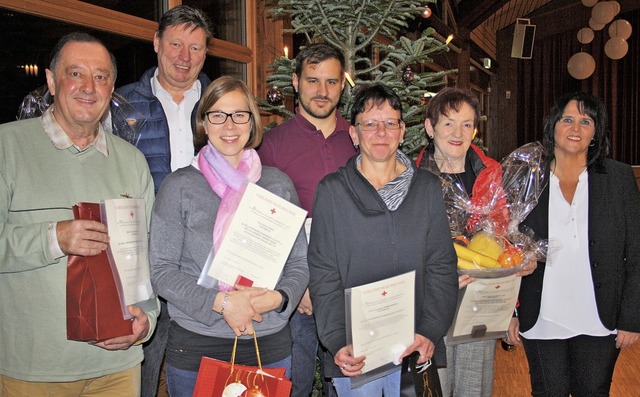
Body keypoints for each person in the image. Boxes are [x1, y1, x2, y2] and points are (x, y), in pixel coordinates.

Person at [0, 32, 158, 396]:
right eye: (76, 73)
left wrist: (146, 322)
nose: (89, 86)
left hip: (118, 367)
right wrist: (53, 238)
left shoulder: (132, 162)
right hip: (34, 369)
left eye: (101, 77)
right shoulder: (8, 148)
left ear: (112, 88)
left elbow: (147, 257)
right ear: (52, 82)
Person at [149, 76, 309, 397]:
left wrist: (279, 299)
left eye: (239, 114)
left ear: (252, 122)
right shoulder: (179, 187)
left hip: (269, 340)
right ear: (204, 124)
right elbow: (162, 272)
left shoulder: (277, 185)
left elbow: (300, 263)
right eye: (218, 115)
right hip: (199, 345)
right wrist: (221, 303)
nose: (229, 125)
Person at [308, 83, 458, 396]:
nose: (381, 132)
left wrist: (430, 330)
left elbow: (442, 265)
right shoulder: (333, 191)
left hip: (415, 345)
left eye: (390, 123)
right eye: (370, 124)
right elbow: (324, 272)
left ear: (402, 131)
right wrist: (336, 340)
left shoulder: (427, 188)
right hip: (357, 352)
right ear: (354, 133)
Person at [507, 92, 640, 396]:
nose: (575, 127)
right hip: (541, 316)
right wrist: (509, 314)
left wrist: (632, 317)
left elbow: (636, 253)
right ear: (553, 125)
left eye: (586, 121)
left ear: (596, 132)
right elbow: (507, 250)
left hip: (599, 318)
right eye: (567, 119)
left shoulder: (617, 178)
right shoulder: (528, 177)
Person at [113, 6, 213, 396]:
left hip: (207, 262)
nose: (184, 57)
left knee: (205, 371)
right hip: (143, 259)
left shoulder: (220, 103)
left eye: (195, 47)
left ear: (206, 53)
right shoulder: (121, 106)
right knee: (143, 364)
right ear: (156, 44)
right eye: (175, 44)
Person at [258, 42, 357, 396]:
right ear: (296, 82)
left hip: (352, 290)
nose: (322, 91)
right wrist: (296, 286)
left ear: (342, 86)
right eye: (313, 81)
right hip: (298, 296)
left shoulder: (359, 139)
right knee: (294, 385)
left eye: (331, 82)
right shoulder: (272, 145)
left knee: (346, 387)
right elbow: (264, 224)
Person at [416, 87, 505, 397]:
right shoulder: (409, 175)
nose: (458, 132)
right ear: (430, 127)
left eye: (467, 124)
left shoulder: (490, 172)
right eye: (448, 123)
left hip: (478, 303)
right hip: (426, 303)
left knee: (474, 389)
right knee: (430, 389)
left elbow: (504, 234)